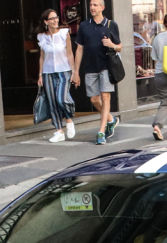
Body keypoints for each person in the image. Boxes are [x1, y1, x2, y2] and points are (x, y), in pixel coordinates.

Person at [72, 0, 123, 145]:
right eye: (91, 5)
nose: (92, 8)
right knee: (94, 99)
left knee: (105, 97)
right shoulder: (84, 26)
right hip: (89, 67)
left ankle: (101, 132)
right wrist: (76, 72)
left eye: (95, 5)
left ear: (102, 7)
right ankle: (110, 119)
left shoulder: (111, 25)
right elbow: (79, 49)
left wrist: (112, 45)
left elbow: (120, 47)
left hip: (106, 66)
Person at [36, 9, 76, 143]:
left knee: (61, 98)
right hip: (47, 72)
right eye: (52, 19)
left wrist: (74, 72)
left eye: (56, 18)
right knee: (52, 102)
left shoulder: (65, 33)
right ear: (46, 22)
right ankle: (59, 131)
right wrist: (40, 74)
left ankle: (69, 120)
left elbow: (70, 53)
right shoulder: (41, 37)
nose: (55, 20)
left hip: (64, 71)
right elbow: (42, 57)